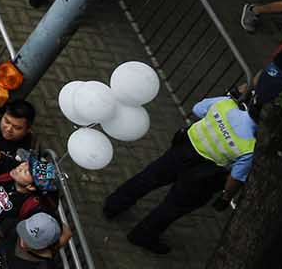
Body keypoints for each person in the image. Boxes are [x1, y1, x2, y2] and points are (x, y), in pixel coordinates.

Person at [103, 90, 256, 255]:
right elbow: (236, 177)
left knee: (148, 177)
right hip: (204, 173)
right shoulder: (250, 147)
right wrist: (226, 197)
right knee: (174, 205)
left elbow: (198, 109)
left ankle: (113, 205)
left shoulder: (225, 104)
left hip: (183, 148)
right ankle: (142, 234)